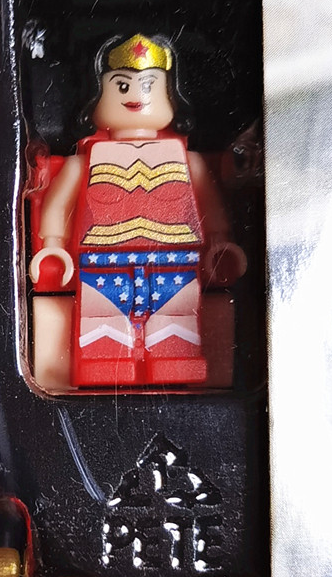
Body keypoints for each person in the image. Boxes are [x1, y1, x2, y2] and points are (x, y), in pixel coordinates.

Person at [29, 32, 244, 386]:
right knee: (104, 314)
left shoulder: (187, 160)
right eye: (121, 85)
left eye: (148, 85)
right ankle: (104, 365)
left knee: (176, 313)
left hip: (176, 259)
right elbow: (59, 202)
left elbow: (209, 203)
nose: (135, 96)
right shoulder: (85, 162)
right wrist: (53, 246)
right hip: (102, 259)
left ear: (170, 95)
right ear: (98, 94)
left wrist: (220, 241)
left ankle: (175, 362)